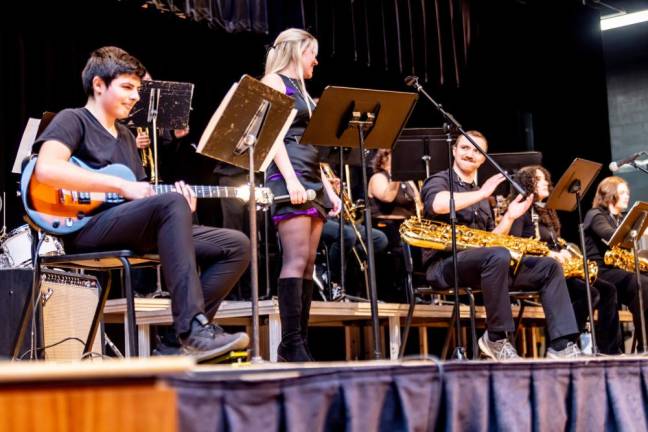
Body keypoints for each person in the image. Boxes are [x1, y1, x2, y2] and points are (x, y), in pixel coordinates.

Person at [32, 46, 250, 362]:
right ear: (98, 85)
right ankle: (193, 330)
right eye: (127, 87)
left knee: (236, 245)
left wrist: (179, 210)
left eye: (138, 89)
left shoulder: (125, 135)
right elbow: (46, 168)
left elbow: (142, 200)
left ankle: (173, 345)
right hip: (87, 227)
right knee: (170, 203)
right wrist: (123, 185)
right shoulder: (73, 119)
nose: (136, 96)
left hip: (128, 226)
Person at [420, 131, 581, 360]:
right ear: (454, 151)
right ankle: (496, 338)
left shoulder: (484, 200)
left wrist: (509, 218)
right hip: (445, 265)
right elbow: (438, 205)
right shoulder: (439, 180)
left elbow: (491, 240)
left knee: (548, 267)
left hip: (486, 265)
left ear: (483, 158)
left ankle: (561, 344)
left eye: (477, 150)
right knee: (497, 256)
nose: (470, 153)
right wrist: (482, 192)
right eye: (465, 148)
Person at [262, 29, 341, 362]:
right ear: (298, 52)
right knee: (295, 259)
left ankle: (299, 342)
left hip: (310, 176)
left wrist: (326, 187)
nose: (316, 61)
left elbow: (312, 144)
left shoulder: (306, 93)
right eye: (313, 53)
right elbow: (273, 137)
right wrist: (292, 182)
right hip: (287, 175)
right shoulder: (273, 81)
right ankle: (290, 343)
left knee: (308, 264)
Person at [509, 166, 622, 354]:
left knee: (607, 289)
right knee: (588, 293)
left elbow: (556, 242)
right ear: (526, 184)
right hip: (537, 269)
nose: (547, 182)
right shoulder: (520, 209)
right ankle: (564, 345)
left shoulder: (546, 211)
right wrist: (548, 254)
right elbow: (515, 245)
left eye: (546, 178)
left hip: (560, 268)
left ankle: (610, 350)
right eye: (540, 179)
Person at [584, 176, 648, 351]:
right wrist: (636, 230)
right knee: (641, 283)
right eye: (622, 192)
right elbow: (611, 235)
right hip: (599, 271)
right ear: (609, 195)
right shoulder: (595, 215)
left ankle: (644, 344)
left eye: (627, 192)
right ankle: (621, 347)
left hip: (618, 271)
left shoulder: (619, 218)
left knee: (643, 285)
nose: (627, 196)